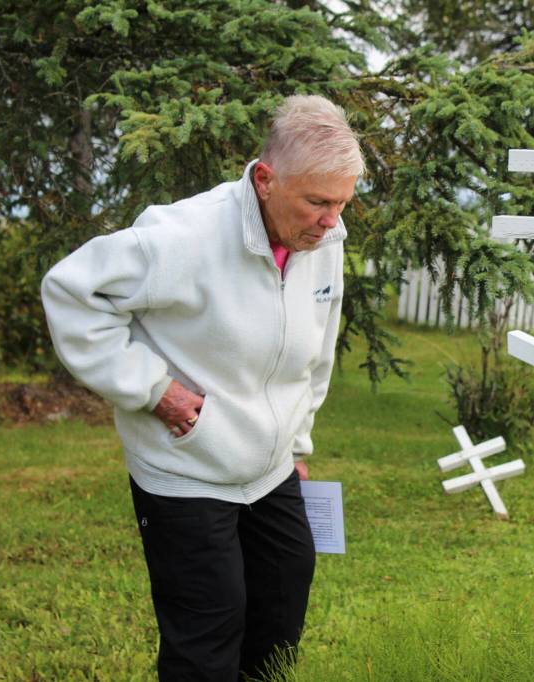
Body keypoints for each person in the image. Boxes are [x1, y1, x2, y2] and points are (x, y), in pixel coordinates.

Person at [41, 94, 363, 681]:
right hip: (185, 469)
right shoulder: (182, 236)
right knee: (208, 635)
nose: (332, 220)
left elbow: (313, 354)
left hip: (269, 471)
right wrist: (152, 388)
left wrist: (296, 447)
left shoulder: (324, 241)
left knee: (280, 618)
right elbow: (71, 292)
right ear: (265, 180)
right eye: (318, 202)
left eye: (342, 203)